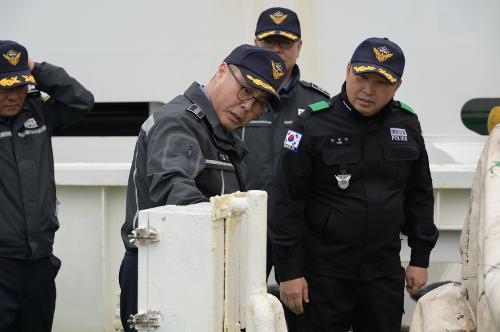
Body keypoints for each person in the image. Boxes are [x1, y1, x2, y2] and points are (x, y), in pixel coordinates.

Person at [269, 37, 439, 332]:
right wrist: (289, 273)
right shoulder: (311, 125)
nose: (368, 90)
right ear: (348, 70)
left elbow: (419, 195)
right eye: (361, 77)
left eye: (381, 83)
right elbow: (286, 203)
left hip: (382, 273)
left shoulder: (407, 124)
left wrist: (420, 257)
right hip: (320, 275)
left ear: (397, 85)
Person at [118, 44, 286, 331]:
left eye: (259, 104)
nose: (249, 107)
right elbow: (174, 189)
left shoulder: (217, 131)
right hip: (160, 270)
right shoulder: (178, 122)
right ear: (222, 71)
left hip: (200, 265)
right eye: (246, 90)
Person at [0, 40, 94, 332]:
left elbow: (82, 100)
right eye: (5, 87)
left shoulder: (37, 111)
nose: (14, 96)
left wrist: (35, 68)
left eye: (20, 86)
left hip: (39, 260)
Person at [237, 5, 330, 277]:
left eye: (285, 42)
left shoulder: (319, 104)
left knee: (304, 307)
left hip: (302, 230)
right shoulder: (234, 100)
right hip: (246, 226)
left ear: (299, 46)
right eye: (268, 41)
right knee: (241, 311)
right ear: (256, 44)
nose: (276, 49)